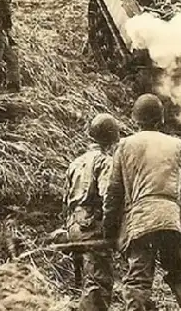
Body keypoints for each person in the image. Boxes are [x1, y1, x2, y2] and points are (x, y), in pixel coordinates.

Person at [103, 94, 181, 310]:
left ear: (136, 120)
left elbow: (114, 192)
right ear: (161, 119)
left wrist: (109, 228)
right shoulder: (177, 145)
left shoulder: (124, 146)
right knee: (180, 272)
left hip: (140, 222)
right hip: (171, 220)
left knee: (138, 280)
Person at [63, 113, 121, 311]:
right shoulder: (105, 162)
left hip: (73, 225)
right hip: (92, 226)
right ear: (111, 139)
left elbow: (66, 200)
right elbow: (108, 198)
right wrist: (111, 228)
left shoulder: (75, 163)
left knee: (82, 283)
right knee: (98, 284)